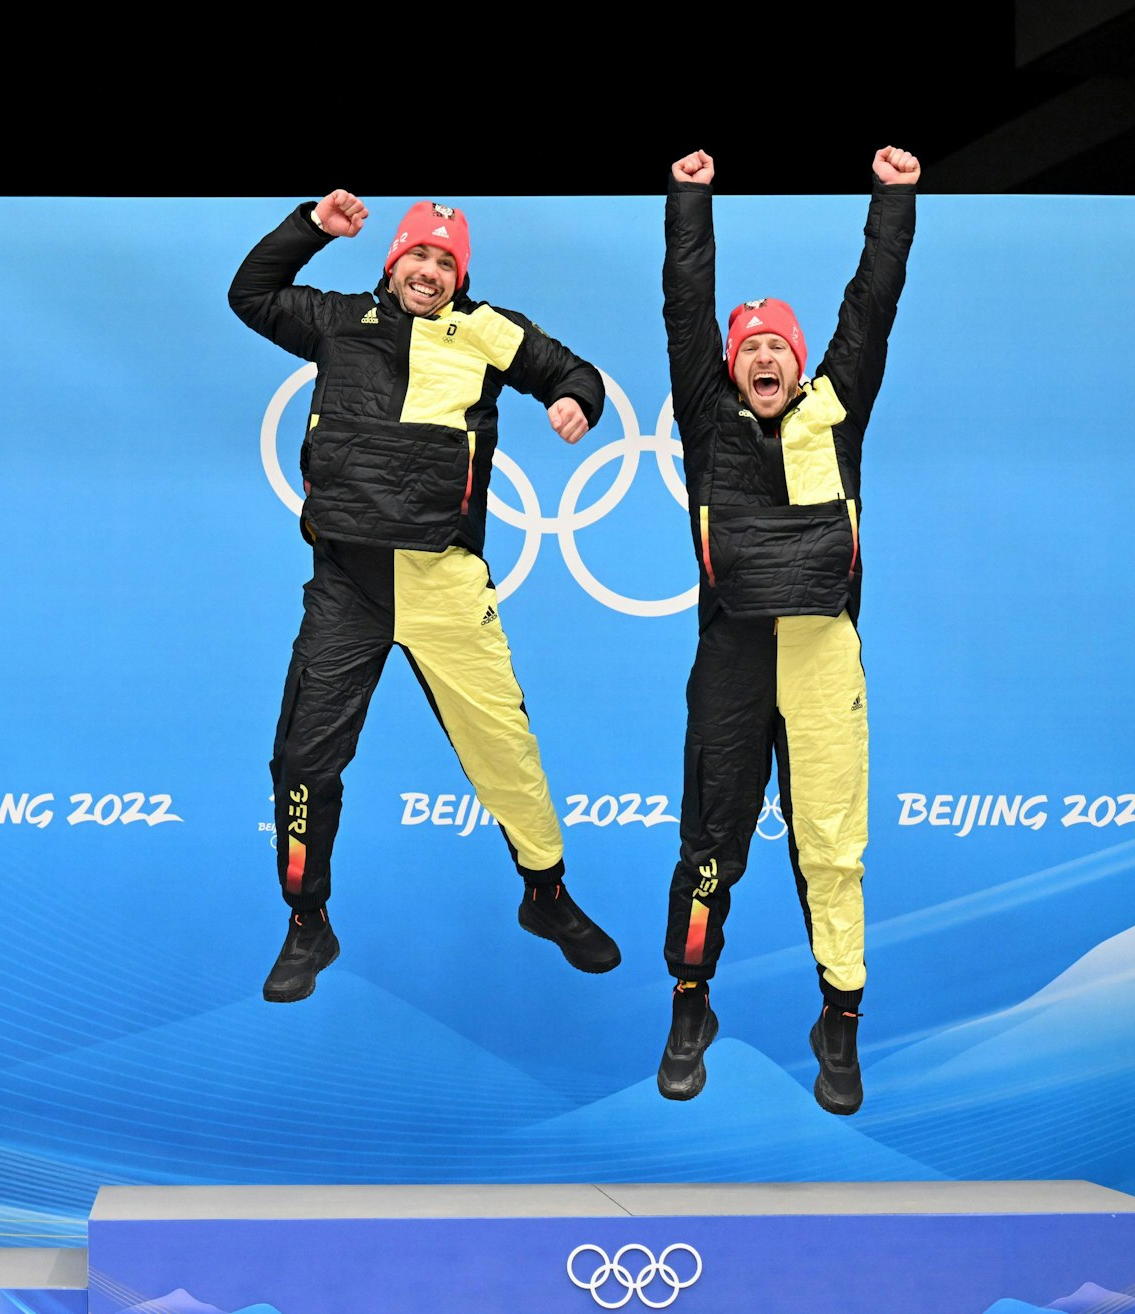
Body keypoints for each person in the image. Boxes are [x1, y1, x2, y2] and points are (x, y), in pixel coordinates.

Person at [229, 191, 622, 1003]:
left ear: (460, 276)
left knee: (507, 753)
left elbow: (577, 374)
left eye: (447, 262)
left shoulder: (489, 330)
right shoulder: (338, 320)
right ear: (393, 261)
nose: (431, 271)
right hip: (349, 584)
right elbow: (251, 293)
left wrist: (574, 400)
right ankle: (307, 922)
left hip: (445, 583)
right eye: (419, 255)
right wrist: (310, 227)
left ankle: (546, 895)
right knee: (303, 760)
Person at [656, 147, 919, 1114]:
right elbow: (687, 303)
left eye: (779, 347)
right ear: (731, 367)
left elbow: (871, 304)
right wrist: (690, 200)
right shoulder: (705, 418)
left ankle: (840, 1022)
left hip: (823, 661)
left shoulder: (837, 411)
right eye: (749, 348)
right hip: (732, 660)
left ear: (800, 364)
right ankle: (691, 1006)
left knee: (833, 850)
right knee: (709, 846)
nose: (763, 357)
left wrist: (893, 199)